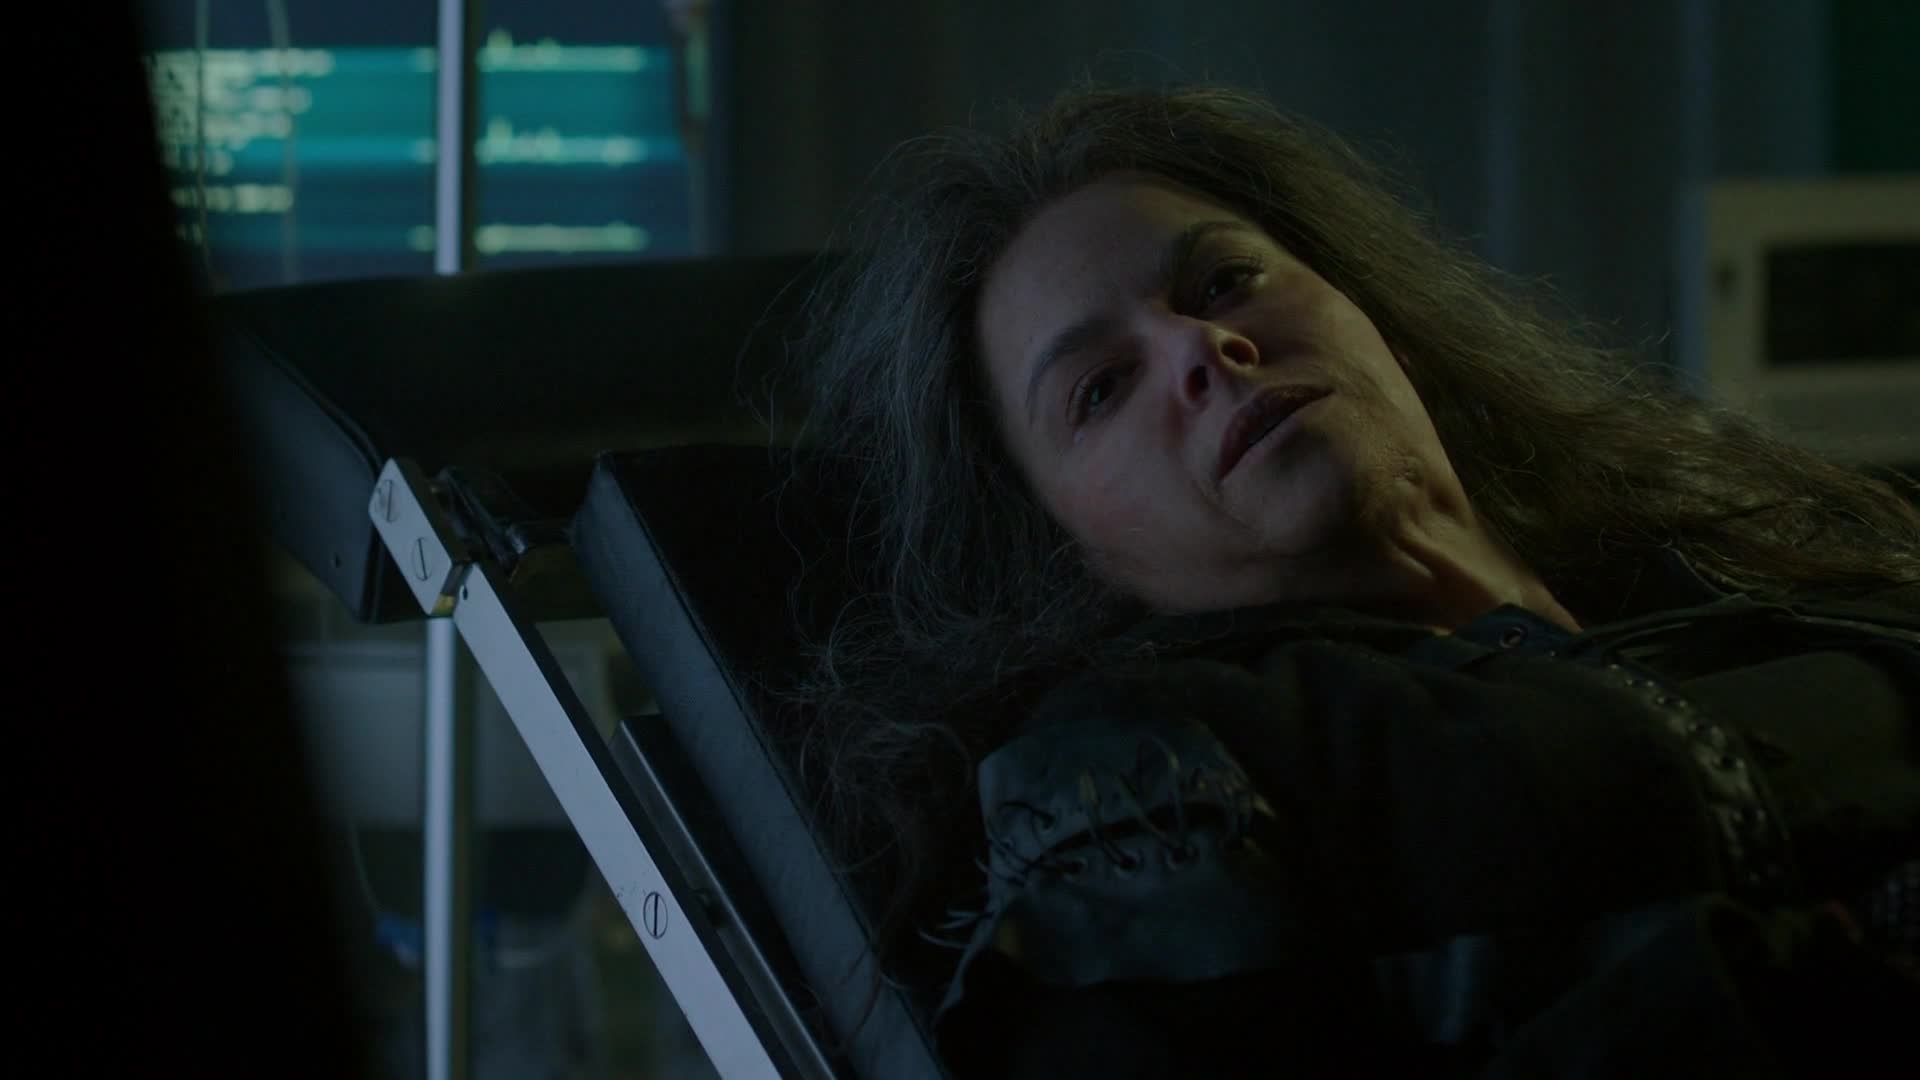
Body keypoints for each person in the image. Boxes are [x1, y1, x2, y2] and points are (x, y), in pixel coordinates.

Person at [785, 84, 1920, 1077]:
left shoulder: (1705, 549)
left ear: (1378, 320)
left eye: (1225, 281)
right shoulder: (1147, 780)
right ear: (1068, 547)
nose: (1200, 349)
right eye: (1100, 388)